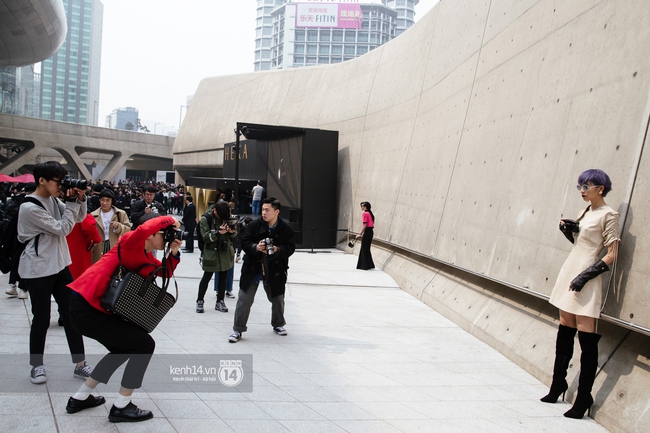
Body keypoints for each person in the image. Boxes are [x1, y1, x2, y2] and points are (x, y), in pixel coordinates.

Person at [64, 214, 181, 422]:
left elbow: (165, 272)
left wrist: (173, 252)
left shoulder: (145, 257)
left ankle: (80, 397)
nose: (167, 238)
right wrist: (170, 219)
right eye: (165, 235)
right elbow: (144, 228)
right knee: (144, 345)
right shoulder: (129, 243)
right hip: (85, 306)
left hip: (91, 309)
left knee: (122, 350)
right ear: (152, 234)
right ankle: (121, 406)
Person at [541, 169, 620, 419]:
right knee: (565, 329)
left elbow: (612, 253)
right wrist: (570, 230)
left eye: (586, 186)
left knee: (587, 337)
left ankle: (584, 396)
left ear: (601, 188)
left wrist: (585, 276)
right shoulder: (585, 211)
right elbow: (580, 242)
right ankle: (558, 385)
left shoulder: (610, 214)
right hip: (570, 270)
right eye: (579, 186)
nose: (582, 190)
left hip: (586, 276)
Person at [17, 161, 94, 384]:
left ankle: (80, 364)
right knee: (41, 318)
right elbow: (63, 228)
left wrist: (79, 199)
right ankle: (37, 365)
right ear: (42, 180)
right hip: (39, 268)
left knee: (72, 315)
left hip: (60, 265)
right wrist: (70, 204)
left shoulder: (52, 200)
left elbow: (78, 219)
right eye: (58, 181)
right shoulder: (29, 207)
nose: (61, 185)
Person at [229, 197, 295, 343]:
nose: (263, 212)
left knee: (277, 298)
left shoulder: (286, 229)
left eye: (267, 210)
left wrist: (278, 249)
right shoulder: (254, 225)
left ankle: (278, 324)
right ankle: (237, 329)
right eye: (263, 209)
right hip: (253, 267)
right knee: (244, 299)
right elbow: (244, 242)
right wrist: (255, 247)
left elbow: (290, 248)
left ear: (276, 212)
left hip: (275, 269)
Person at [196, 202, 236, 313]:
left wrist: (231, 231)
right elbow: (205, 237)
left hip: (224, 252)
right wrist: (218, 233)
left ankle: (220, 301)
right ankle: (200, 300)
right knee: (206, 277)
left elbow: (234, 234)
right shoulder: (206, 219)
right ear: (214, 210)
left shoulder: (227, 216)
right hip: (211, 253)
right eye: (220, 216)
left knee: (223, 277)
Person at [90, 189, 131, 263]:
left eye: (107, 200)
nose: (104, 203)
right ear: (99, 200)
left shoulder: (120, 214)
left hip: (114, 245)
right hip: (98, 247)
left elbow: (128, 230)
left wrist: (119, 226)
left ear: (112, 201)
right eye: (102, 200)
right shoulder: (93, 215)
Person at [356, 201, 375, 270]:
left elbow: (365, 224)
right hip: (371, 232)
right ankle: (369, 265)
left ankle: (363, 265)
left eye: (362, 206)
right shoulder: (370, 213)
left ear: (365, 207)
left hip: (367, 232)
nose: (361, 207)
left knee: (364, 248)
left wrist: (360, 234)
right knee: (367, 248)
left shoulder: (365, 214)